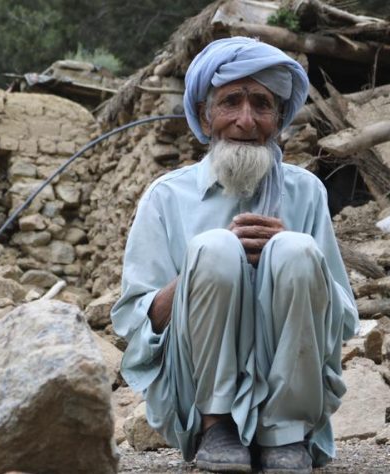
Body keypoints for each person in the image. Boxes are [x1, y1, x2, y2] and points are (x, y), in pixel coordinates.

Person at [112, 37, 359, 473]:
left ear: (279, 119)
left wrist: (297, 260)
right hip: (193, 388)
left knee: (298, 249)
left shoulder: (306, 192)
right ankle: (217, 424)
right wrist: (198, 271)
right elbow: (135, 320)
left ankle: (286, 431)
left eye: (261, 104)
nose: (246, 121)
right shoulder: (166, 197)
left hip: (296, 404)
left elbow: (343, 319)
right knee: (213, 247)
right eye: (230, 103)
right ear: (206, 119)